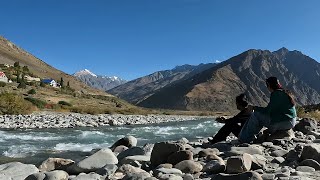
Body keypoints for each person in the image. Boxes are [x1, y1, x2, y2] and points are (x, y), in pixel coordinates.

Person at [239, 77, 297, 143]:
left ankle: (245, 139)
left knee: (256, 115)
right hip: (291, 121)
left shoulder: (276, 94)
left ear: (269, 85)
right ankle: (252, 137)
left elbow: (268, 111)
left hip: (284, 122)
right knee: (259, 116)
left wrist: (254, 108)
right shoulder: (285, 92)